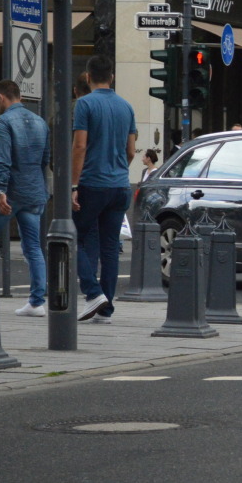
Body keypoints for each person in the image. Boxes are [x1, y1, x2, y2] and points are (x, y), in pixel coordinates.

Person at [72, 55, 137, 323]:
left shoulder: (84, 104)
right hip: (120, 185)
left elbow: (79, 146)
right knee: (110, 247)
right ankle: (106, 309)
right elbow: (131, 150)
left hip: (92, 183)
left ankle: (93, 292)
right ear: (112, 77)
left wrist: (74, 184)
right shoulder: (127, 107)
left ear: (88, 77)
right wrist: (119, 168)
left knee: (71, 238)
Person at [0, 80, 49, 317]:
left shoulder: (2, 121)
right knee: (33, 247)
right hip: (34, 191)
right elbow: (44, 160)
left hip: (10, 192)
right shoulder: (40, 121)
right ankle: (37, 302)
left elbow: (5, 161)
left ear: (1, 97)